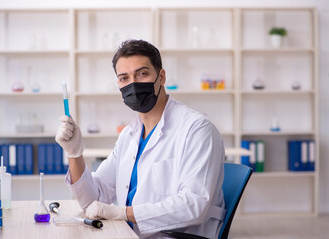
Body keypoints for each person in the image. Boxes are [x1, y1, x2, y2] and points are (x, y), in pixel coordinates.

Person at [55, 39, 225, 238]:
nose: (133, 84)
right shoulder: (129, 135)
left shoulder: (196, 129)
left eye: (142, 74)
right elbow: (94, 199)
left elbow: (193, 206)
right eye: (124, 78)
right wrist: (74, 153)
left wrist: (122, 213)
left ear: (161, 77)